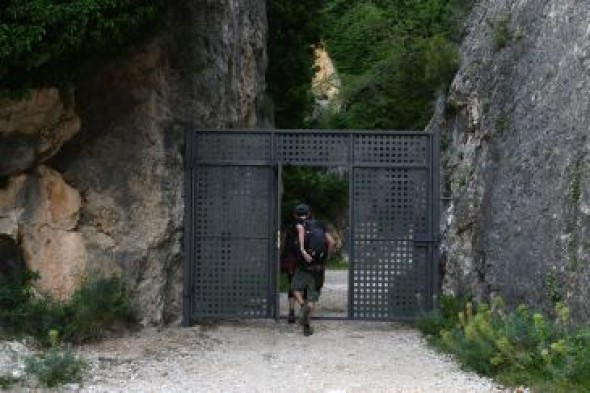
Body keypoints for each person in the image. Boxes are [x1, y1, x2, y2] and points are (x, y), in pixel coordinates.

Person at [290, 203, 335, 336]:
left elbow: (299, 234)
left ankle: (303, 307)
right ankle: (307, 324)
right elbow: (331, 242)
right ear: (309, 213)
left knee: (295, 288)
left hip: (304, 265)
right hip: (319, 267)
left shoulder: (297, 225)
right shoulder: (321, 225)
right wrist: (327, 257)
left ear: (295, 215)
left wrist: (303, 251)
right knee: (313, 297)